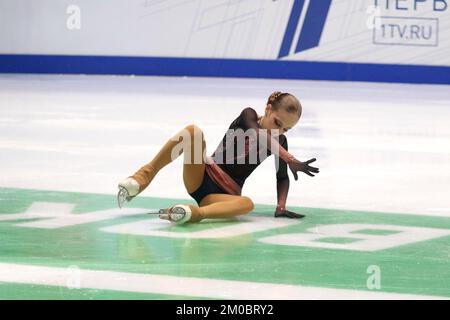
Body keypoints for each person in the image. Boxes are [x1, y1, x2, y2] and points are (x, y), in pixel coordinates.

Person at [117, 91, 319, 224]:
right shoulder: (248, 116)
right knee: (192, 132)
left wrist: (281, 206)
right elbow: (257, 134)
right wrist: (289, 157)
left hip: (221, 196)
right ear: (268, 109)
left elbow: (281, 177)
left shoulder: (280, 142)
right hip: (201, 177)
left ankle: (194, 213)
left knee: (246, 204)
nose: (280, 131)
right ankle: (144, 175)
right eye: (278, 123)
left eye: (286, 129)